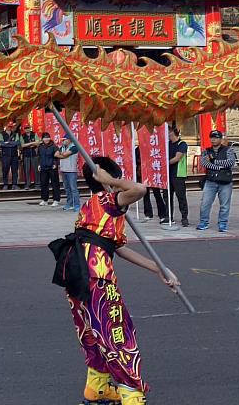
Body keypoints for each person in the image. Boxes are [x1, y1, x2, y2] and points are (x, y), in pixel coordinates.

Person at [50, 157, 179, 405]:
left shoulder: (90, 206)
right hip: (96, 275)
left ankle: (97, 387)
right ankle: (131, 395)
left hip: (76, 274)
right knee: (117, 330)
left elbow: (117, 248)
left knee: (91, 331)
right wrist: (109, 181)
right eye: (117, 177)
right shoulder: (109, 200)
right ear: (105, 178)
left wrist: (158, 268)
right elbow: (139, 189)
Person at [198, 130, 236, 232]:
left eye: (216, 137)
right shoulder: (206, 151)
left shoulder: (228, 150)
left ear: (220, 139)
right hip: (210, 181)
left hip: (225, 182)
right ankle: (203, 222)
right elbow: (204, 163)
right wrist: (219, 167)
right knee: (205, 203)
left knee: (224, 204)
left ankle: (223, 224)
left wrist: (214, 161)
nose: (213, 139)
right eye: (211, 137)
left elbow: (230, 162)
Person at [168, 127, 189, 227]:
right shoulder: (167, 144)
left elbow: (177, 158)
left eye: (168, 132)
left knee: (181, 196)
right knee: (167, 196)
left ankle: (184, 217)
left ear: (172, 132)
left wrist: (164, 164)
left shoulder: (182, 144)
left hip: (178, 174)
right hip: (167, 174)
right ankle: (169, 216)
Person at [56, 137, 80, 211]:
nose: (63, 141)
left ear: (69, 140)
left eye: (65, 139)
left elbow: (66, 154)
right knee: (67, 188)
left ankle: (76, 205)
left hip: (71, 171)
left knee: (73, 189)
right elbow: (56, 154)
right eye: (63, 140)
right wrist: (62, 155)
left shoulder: (74, 147)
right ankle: (69, 203)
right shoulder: (62, 147)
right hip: (64, 170)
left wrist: (62, 155)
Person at [37, 133, 61, 207]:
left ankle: (56, 200)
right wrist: (39, 164)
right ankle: (45, 200)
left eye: (48, 137)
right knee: (44, 184)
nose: (46, 139)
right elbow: (39, 156)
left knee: (55, 184)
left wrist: (56, 164)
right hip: (43, 167)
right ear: (42, 139)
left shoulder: (54, 146)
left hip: (52, 167)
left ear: (50, 138)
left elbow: (58, 156)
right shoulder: (40, 146)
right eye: (45, 138)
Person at [0, 122, 21, 190]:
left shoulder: (15, 134)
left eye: (11, 127)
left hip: (14, 155)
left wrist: (7, 143)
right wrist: (11, 144)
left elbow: (17, 143)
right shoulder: (1, 134)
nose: (10, 128)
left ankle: (14, 184)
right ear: (6, 126)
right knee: (5, 170)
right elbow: (1, 144)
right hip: (5, 155)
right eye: (9, 126)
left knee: (15, 170)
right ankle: (5, 184)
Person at [19, 124, 39, 189]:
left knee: (36, 169)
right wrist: (31, 143)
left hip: (34, 154)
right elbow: (22, 145)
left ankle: (37, 184)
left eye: (28, 128)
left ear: (30, 128)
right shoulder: (22, 136)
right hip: (26, 155)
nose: (27, 129)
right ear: (24, 129)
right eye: (26, 128)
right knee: (27, 170)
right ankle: (27, 184)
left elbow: (37, 143)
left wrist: (27, 144)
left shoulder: (34, 134)